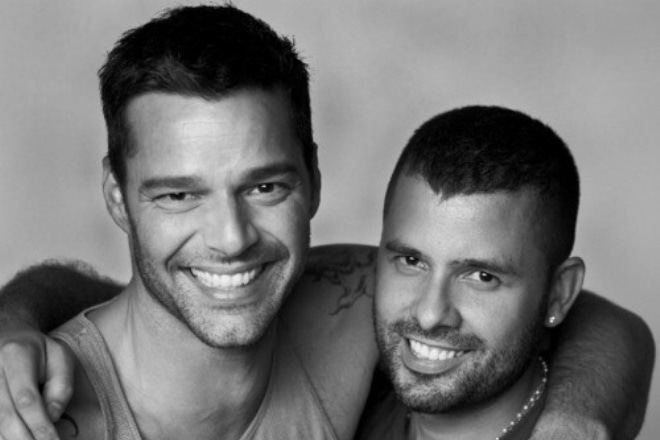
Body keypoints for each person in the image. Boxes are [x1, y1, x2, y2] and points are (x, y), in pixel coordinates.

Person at [0, 4, 654, 440]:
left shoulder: (351, 303)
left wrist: (576, 416)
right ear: (117, 197)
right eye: (178, 196)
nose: (231, 238)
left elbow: (582, 316)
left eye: (264, 186)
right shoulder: (33, 412)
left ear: (313, 178)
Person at [357, 105, 588, 439]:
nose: (429, 315)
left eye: (482, 277)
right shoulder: (347, 405)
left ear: (559, 294)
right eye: (411, 261)